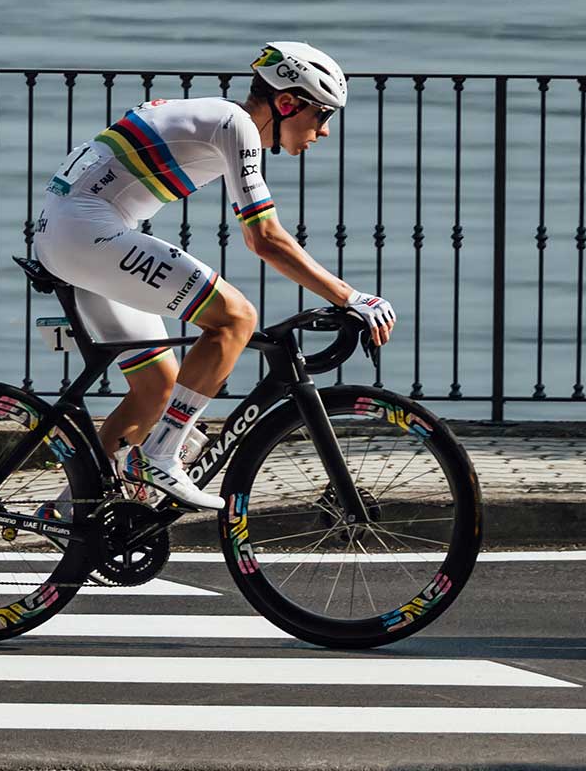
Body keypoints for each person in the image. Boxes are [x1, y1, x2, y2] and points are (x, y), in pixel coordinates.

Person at [32, 41, 396, 513]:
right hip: (86, 233)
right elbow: (263, 238)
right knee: (236, 318)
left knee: (157, 388)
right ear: (286, 104)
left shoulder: (220, 119)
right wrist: (351, 296)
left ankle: (70, 511)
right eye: (321, 116)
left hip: (70, 234)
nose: (323, 131)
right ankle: (161, 454)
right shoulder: (235, 124)